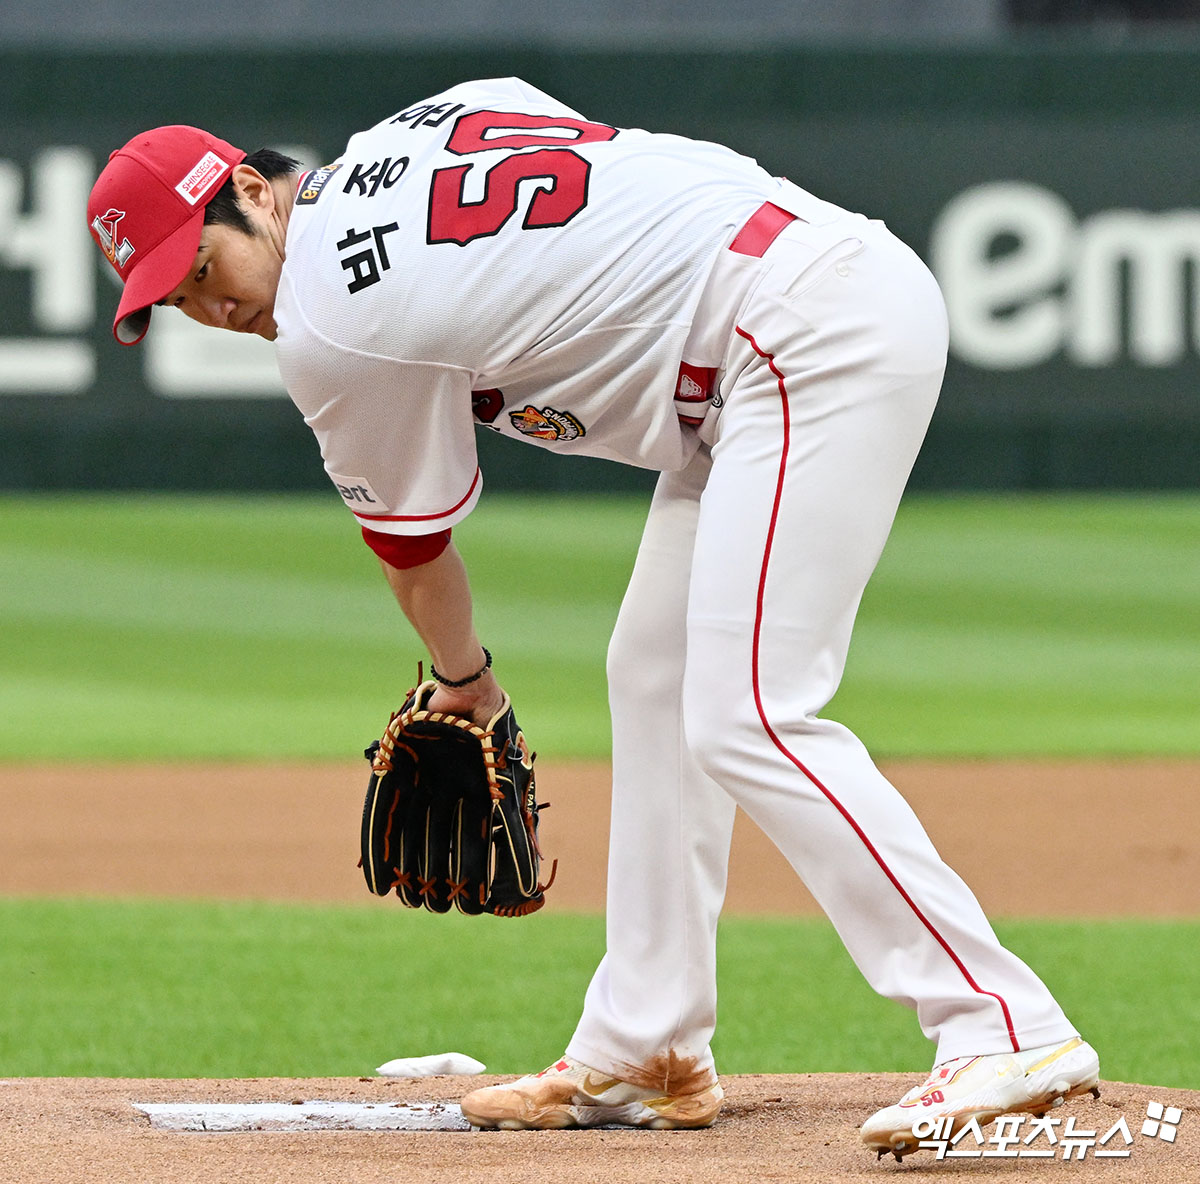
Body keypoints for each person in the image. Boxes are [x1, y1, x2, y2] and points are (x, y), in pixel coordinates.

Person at [87, 77, 1099, 1157]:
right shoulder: (412, 131)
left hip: (796, 333)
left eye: (203, 267)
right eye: (174, 301)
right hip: (773, 325)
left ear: (250, 187)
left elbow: (413, 550)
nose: (212, 307)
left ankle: (1001, 1020)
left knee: (748, 709)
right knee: (654, 676)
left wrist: (464, 677)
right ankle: (645, 1044)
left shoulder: (331, 321)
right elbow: (535, 120)